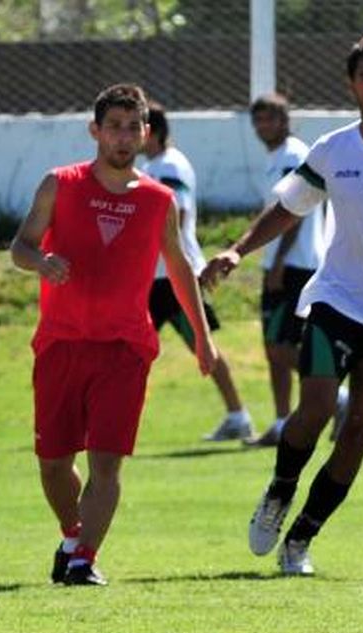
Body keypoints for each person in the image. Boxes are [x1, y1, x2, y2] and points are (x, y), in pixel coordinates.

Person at [202, 33, 363, 576]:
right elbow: (288, 208)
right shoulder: (333, 149)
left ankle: (301, 537)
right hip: (336, 300)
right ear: (352, 84)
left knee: (358, 432)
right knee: (317, 406)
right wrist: (236, 250)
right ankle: (280, 488)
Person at [10, 83, 219, 586]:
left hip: (125, 349)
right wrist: (42, 261)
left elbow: (180, 268)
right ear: (95, 131)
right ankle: (71, 536)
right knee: (53, 464)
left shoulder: (159, 200)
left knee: (106, 463)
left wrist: (203, 337)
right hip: (61, 344)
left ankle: (84, 559)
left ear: (146, 133)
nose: (123, 137)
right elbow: (20, 247)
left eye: (132, 128)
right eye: (114, 127)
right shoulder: (59, 184)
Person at [141, 101, 254, 442]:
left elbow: (177, 215)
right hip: (156, 276)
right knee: (133, 347)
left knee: (197, 346)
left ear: (153, 131)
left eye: (137, 126)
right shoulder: (151, 165)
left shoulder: (170, 165)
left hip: (173, 275)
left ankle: (238, 416)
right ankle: (238, 416)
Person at [245, 93, 346, 447]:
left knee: (280, 347)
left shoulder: (292, 155)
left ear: (285, 120)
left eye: (270, 118)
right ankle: (281, 421)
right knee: (273, 346)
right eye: (258, 120)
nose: (263, 126)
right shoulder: (276, 157)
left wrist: (279, 262)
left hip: (295, 265)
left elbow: (295, 211)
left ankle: (339, 398)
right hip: (280, 264)